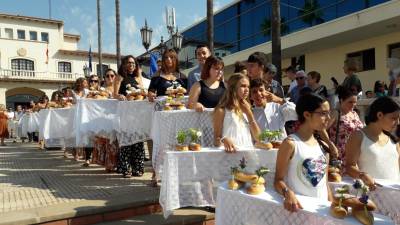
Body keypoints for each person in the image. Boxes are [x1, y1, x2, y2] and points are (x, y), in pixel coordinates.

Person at [274, 93, 333, 212]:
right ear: (307, 114)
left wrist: (332, 204)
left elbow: (325, 183)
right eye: (323, 113)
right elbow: (278, 180)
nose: (328, 118)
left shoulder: (323, 146)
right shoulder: (290, 144)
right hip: (300, 211)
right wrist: (287, 193)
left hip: (322, 212)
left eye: (328, 113)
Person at [346, 97, 400, 188]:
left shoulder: (393, 140)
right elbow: (349, 166)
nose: (397, 122)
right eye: (393, 118)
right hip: (371, 195)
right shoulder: (358, 136)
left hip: (395, 195)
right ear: (379, 115)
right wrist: (362, 175)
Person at [114, 55, 146, 178]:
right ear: (124, 64)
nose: (131, 65)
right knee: (126, 141)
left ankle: (138, 168)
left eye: (133, 63)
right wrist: (120, 96)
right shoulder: (120, 77)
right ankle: (126, 168)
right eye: (128, 63)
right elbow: (115, 94)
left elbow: (142, 91)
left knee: (138, 141)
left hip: (137, 113)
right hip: (125, 113)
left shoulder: (138, 77)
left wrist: (142, 93)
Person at [213, 73, 260, 152]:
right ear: (233, 88)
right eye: (243, 86)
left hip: (247, 154)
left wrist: (249, 113)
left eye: (248, 86)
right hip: (229, 156)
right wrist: (223, 139)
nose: (247, 89)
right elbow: (216, 140)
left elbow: (259, 138)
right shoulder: (221, 110)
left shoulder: (247, 109)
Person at [327, 86, 363, 163]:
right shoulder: (335, 113)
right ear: (341, 100)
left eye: (355, 102)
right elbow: (321, 129)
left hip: (355, 153)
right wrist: (330, 145)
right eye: (350, 102)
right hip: (340, 155)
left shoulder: (355, 114)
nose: (353, 105)